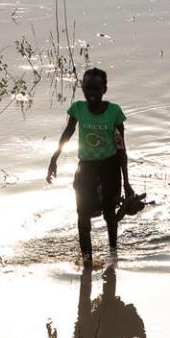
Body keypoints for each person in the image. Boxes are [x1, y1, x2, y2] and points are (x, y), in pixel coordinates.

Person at [46, 67, 134, 266]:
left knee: (109, 213)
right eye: (87, 88)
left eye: (96, 88)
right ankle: (87, 261)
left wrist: (127, 182)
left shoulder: (114, 113)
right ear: (83, 88)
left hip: (109, 167)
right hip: (85, 168)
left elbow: (121, 149)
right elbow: (67, 133)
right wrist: (54, 159)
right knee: (82, 214)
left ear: (104, 89)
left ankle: (113, 254)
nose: (91, 93)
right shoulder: (78, 109)